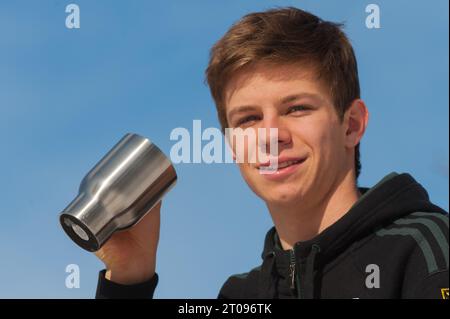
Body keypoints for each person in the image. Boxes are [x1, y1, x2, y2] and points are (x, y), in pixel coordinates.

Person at [94, 7, 449, 299]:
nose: (270, 135)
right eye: (248, 118)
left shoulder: (424, 250)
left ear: (352, 124)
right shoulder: (239, 296)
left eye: (296, 109)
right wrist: (128, 281)